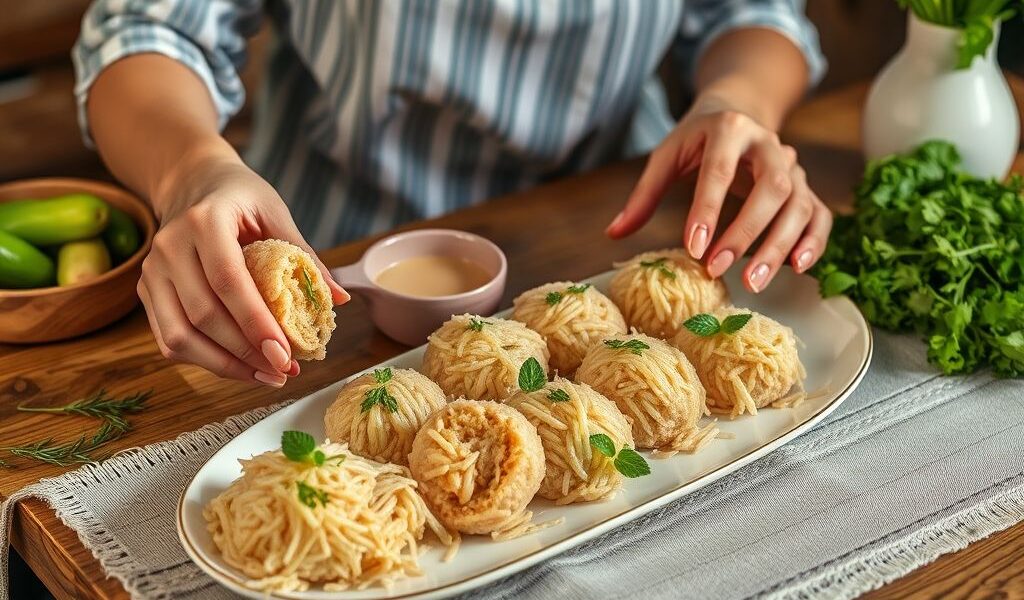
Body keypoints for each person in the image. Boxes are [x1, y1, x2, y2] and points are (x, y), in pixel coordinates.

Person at [73, 0, 831, 387]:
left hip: (615, 228)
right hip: (335, 260)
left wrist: (736, 103)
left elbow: (753, 17)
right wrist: (191, 171)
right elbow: (148, 27)